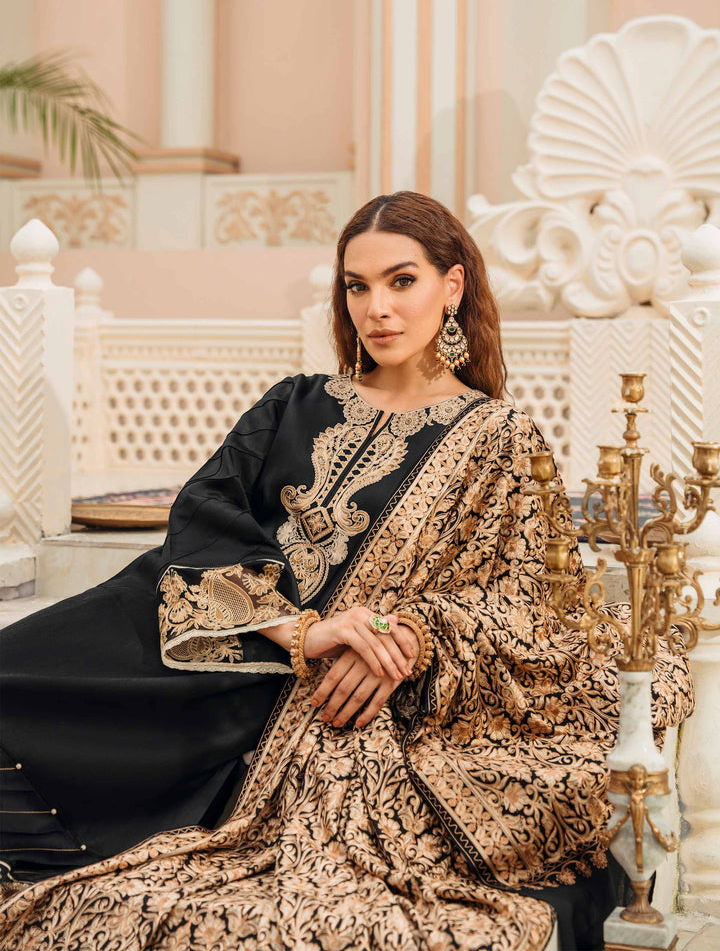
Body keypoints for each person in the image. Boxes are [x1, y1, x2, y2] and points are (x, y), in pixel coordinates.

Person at [0, 191, 693, 951]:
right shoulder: (293, 403)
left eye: (402, 281)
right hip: (211, 644)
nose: (377, 308)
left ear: (452, 286)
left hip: (325, 705)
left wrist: (413, 636)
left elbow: (528, 602)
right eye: (357, 286)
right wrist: (301, 629)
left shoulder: (500, 437)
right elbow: (204, 515)